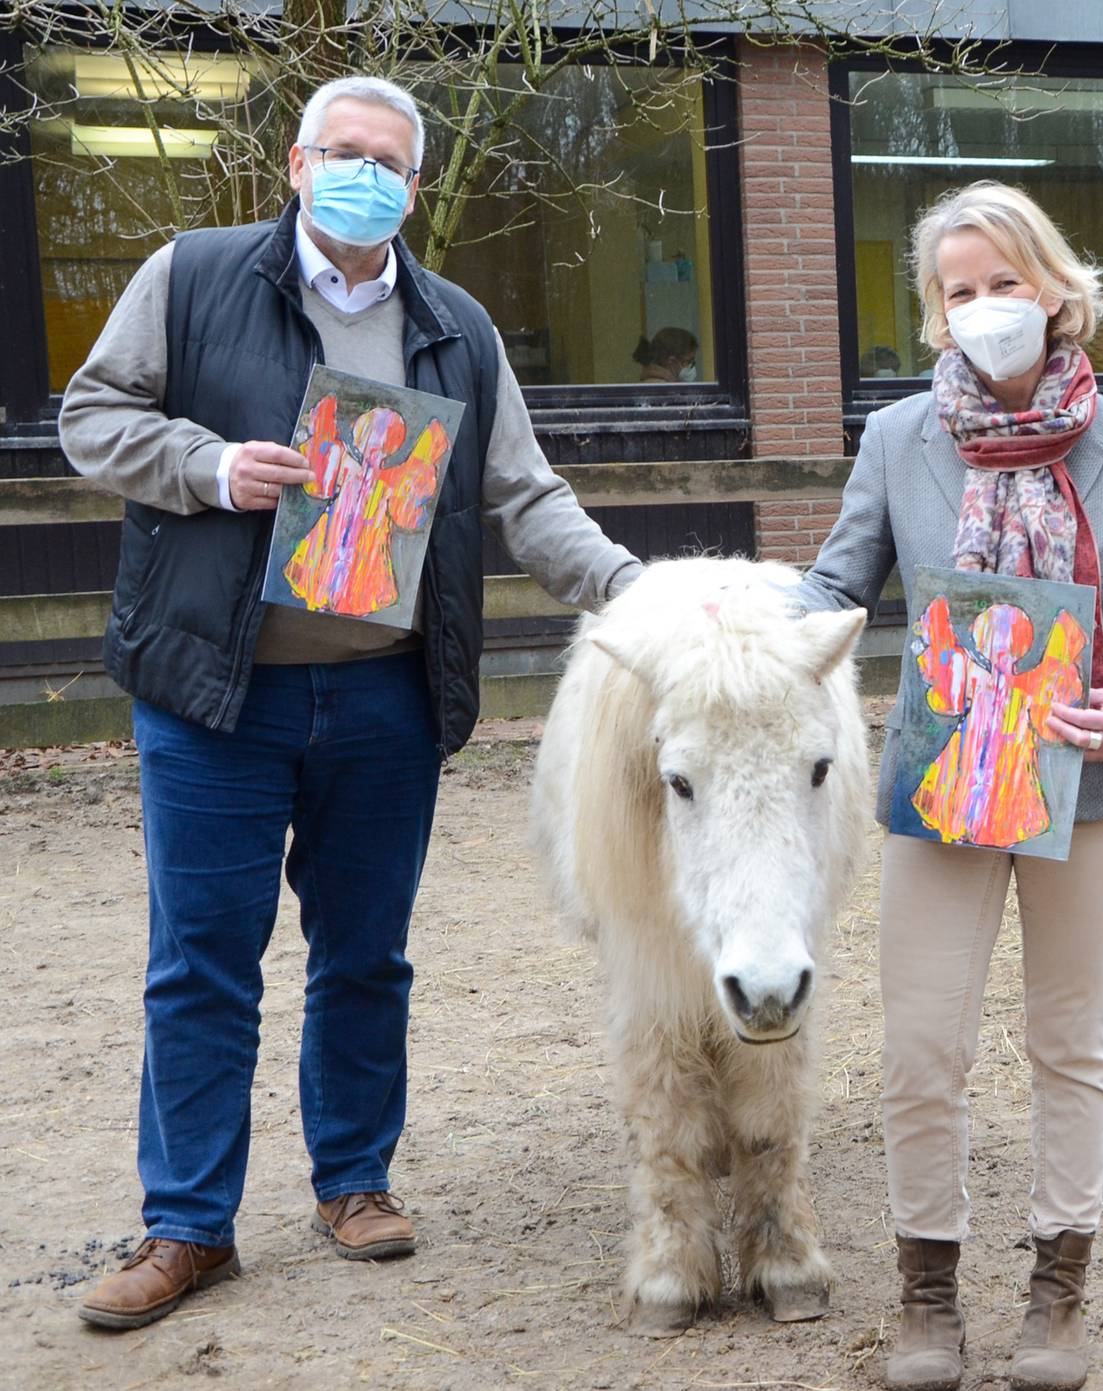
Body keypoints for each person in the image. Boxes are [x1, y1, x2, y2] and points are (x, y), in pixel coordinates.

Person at [58, 75, 643, 1329]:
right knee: (201, 961)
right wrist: (208, 467)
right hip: (216, 693)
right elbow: (92, 418)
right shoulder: (192, 273)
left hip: (382, 692)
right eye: (343, 151)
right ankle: (187, 1224)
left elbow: (528, 497)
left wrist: (641, 594)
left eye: (389, 159)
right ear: (296, 161)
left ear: (416, 186)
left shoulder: (457, 325)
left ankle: (355, 1179)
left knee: (365, 953)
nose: (363, 172)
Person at [794, 181, 1103, 1391]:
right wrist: (749, 636)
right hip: (944, 785)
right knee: (923, 1047)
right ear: (936, 314)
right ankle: (927, 1293)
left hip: (1093, 783)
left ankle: (1057, 1288)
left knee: (1069, 1044)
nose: (985, 309)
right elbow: (832, 586)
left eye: (1004, 283)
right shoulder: (894, 438)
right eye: (958, 292)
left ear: (1056, 286)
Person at [633, 325, 700, 382]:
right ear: (671, 361)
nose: (692, 367)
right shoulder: (665, 390)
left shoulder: (654, 384)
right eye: (688, 361)